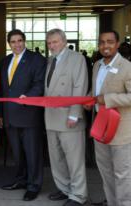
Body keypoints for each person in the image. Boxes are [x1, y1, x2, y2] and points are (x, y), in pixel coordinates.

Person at [89, 30, 131, 206]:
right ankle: (112, 202)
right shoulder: (97, 65)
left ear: (118, 44)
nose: (106, 45)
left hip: (122, 129)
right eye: (102, 42)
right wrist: (90, 99)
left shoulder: (130, 68)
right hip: (100, 127)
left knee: (122, 173)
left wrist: (107, 99)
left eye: (110, 42)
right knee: (105, 171)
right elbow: (97, 91)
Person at [0, 29, 46, 201]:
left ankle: (34, 185)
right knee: (17, 154)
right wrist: (0, 114)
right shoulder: (5, 61)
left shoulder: (36, 59)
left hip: (29, 114)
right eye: (13, 41)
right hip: (10, 116)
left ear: (24, 41)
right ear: (9, 44)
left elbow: (40, 84)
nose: (17, 44)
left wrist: (30, 96)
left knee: (33, 153)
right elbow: (3, 90)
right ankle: (21, 180)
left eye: (20, 40)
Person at [45, 29, 88, 206]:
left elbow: (80, 86)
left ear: (64, 41)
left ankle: (78, 195)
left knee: (74, 159)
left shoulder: (76, 58)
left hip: (69, 117)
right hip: (51, 116)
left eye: (55, 42)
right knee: (57, 157)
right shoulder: (50, 60)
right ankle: (64, 188)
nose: (52, 45)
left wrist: (74, 114)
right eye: (49, 43)